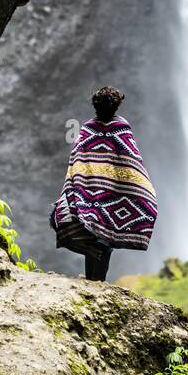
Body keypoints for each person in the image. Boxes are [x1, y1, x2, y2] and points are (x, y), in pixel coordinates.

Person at [49, 86, 157, 281]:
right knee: (104, 241)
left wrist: (77, 188)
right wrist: (141, 190)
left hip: (88, 195)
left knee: (93, 237)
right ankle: (97, 281)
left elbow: (77, 161)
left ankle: (93, 279)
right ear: (115, 106)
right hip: (113, 195)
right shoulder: (121, 127)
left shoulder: (87, 129)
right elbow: (132, 161)